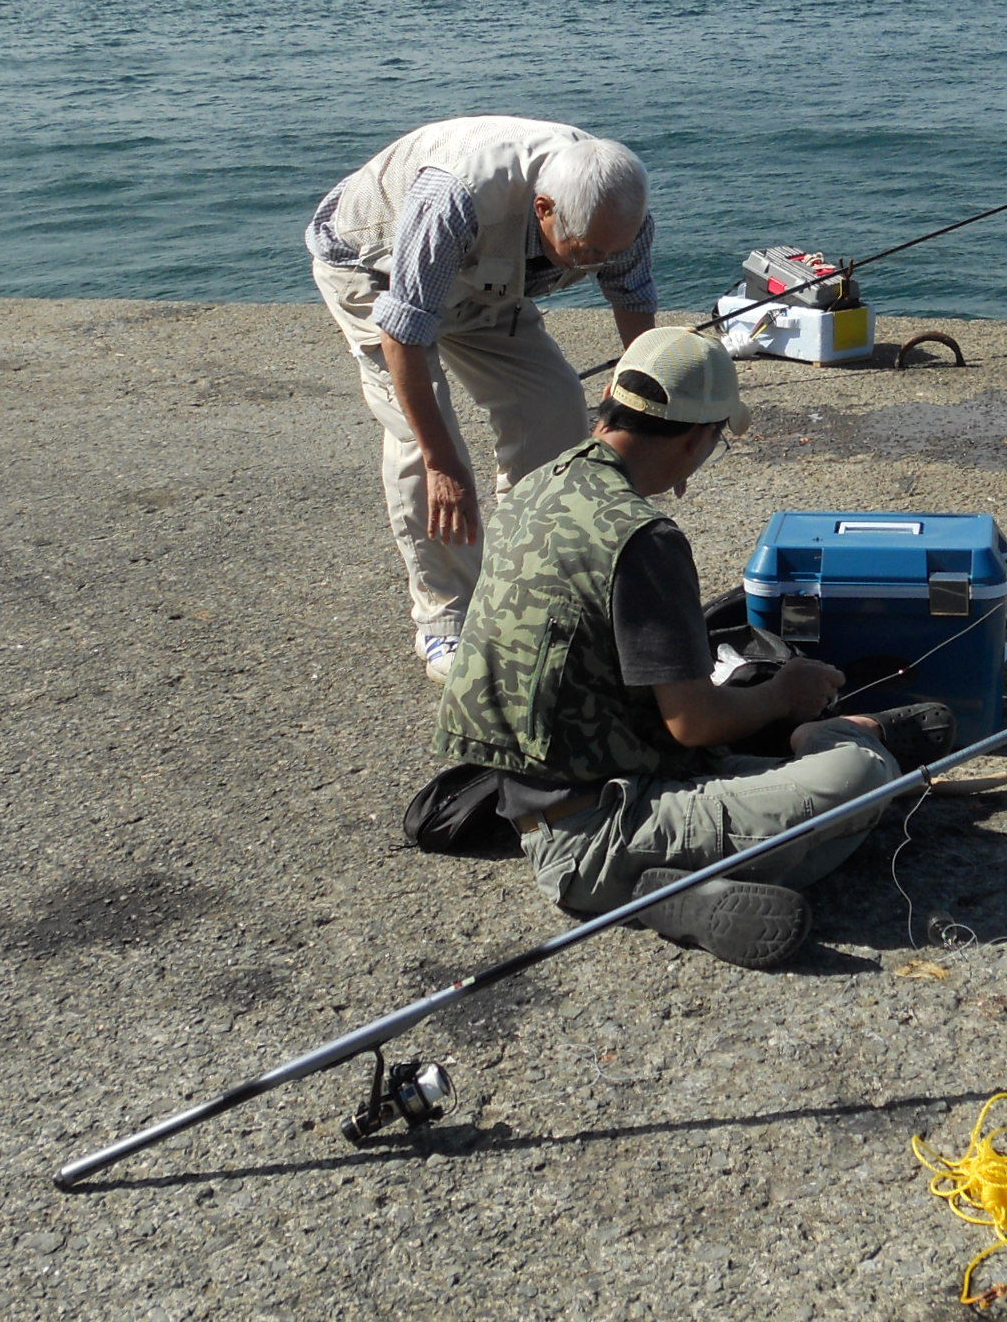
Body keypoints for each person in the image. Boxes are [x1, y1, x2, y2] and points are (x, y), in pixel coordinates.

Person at [431, 327, 950, 969]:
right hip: (600, 833)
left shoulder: (537, 486)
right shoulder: (644, 539)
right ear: (694, 437)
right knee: (861, 781)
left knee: (797, 758)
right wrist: (787, 695)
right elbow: (693, 722)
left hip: (545, 801)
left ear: (609, 403)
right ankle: (834, 745)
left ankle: (691, 869)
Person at [308, 116, 660, 679]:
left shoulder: (617, 212)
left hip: (487, 279)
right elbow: (403, 330)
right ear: (544, 209)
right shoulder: (456, 196)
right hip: (372, 271)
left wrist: (648, 411)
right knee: (421, 443)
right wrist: (442, 460)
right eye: (586, 251)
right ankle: (444, 622)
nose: (596, 264)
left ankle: (529, 583)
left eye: (608, 252)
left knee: (555, 407)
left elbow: (633, 296)